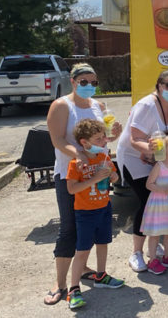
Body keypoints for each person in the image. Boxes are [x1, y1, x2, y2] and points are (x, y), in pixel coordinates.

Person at [44, 63, 121, 305]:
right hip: (72, 175)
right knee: (70, 228)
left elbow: (101, 139)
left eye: (93, 82)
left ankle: (91, 271)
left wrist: (114, 136)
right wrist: (79, 155)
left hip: (98, 174)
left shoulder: (99, 106)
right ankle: (60, 283)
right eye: (84, 81)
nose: (89, 86)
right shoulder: (61, 106)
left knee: (95, 226)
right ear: (73, 80)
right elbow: (57, 139)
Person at [117, 69, 168, 272]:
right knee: (148, 202)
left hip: (158, 161)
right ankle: (136, 253)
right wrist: (148, 151)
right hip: (134, 159)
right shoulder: (147, 105)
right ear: (159, 85)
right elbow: (134, 139)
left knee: (163, 203)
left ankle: (154, 247)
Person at [65, 119, 124, 310]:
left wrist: (113, 177)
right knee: (82, 250)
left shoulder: (104, 158)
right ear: (85, 142)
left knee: (103, 243)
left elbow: (115, 177)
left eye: (104, 137)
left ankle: (101, 275)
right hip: (85, 213)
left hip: (104, 208)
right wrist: (95, 179)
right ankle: (73, 289)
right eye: (99, 139)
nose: (104, 141)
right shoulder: (76, 163)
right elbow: (72, 189)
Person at [141, 132, 168, 275]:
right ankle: (152, 260)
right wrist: (164, 190)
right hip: (158, 205)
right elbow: (149, 185)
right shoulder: (160, 166)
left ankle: (167, 257)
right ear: (164, 149)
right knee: (155, 234)